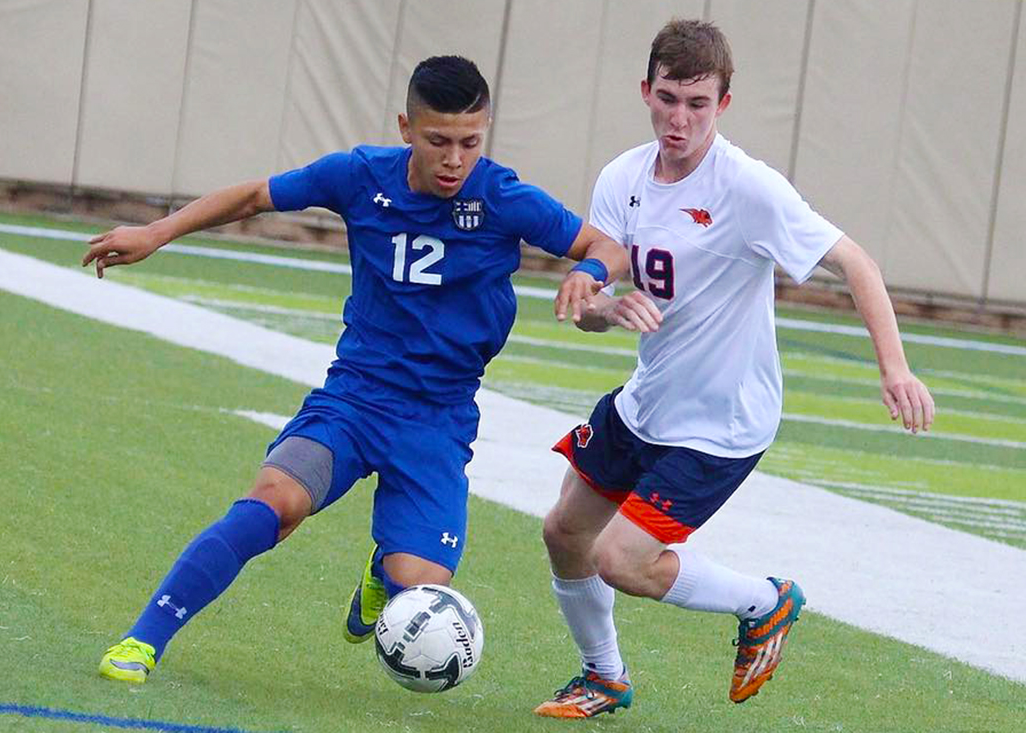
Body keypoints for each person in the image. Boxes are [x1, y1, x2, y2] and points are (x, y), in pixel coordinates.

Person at [84, 55, 628, 684]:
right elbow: (256, 195)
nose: (455, 159)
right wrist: (158, 231)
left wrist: (588, 272)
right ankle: (142, 640)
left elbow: (603, 246)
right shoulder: (358, 175)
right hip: (355, 398)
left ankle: (383, 574)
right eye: (438, 141)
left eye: (470, 142)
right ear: (406, 128)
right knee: (272, 505)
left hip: (438, 419)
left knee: (418, 589)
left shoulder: (504, 197)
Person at [532, 19, 936, 718]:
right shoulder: (622, 178)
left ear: (723, 102)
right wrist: (603, 307)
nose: (678, 118)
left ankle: (765, 600)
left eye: (697, 103)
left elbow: (855, 261)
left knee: (620, 559)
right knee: (564, 531)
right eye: (667, 99)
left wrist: (895, 368)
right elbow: (602, 300)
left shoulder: (747, 187)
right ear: (645, 92)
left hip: (722, 422)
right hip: (646, 401)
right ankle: (604, 676)